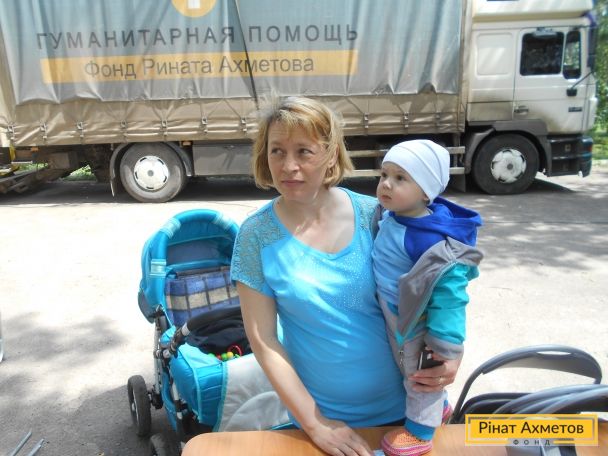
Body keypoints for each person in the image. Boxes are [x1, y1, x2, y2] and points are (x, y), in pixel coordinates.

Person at [230, 97, 461, 456]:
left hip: (410, 417)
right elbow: (264, 342)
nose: (288, 166)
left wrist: (450, 354)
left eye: (304, 151)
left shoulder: (377, 216)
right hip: (324, 426)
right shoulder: (255, 235)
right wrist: (316, 424)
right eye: (277, 151)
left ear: (331, 154)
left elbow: (439, 287)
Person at [372, 140, 483, 456]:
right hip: (394, 309)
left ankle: (420, 433)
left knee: (420, 375)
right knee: (405, 368)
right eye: (384, 174)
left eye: (400, 178)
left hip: (417, 322)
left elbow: (450, 295)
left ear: (426, 192)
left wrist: (444, 345)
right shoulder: (394, 214)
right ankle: (440, 409)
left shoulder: (430, 241)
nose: (386, 184)